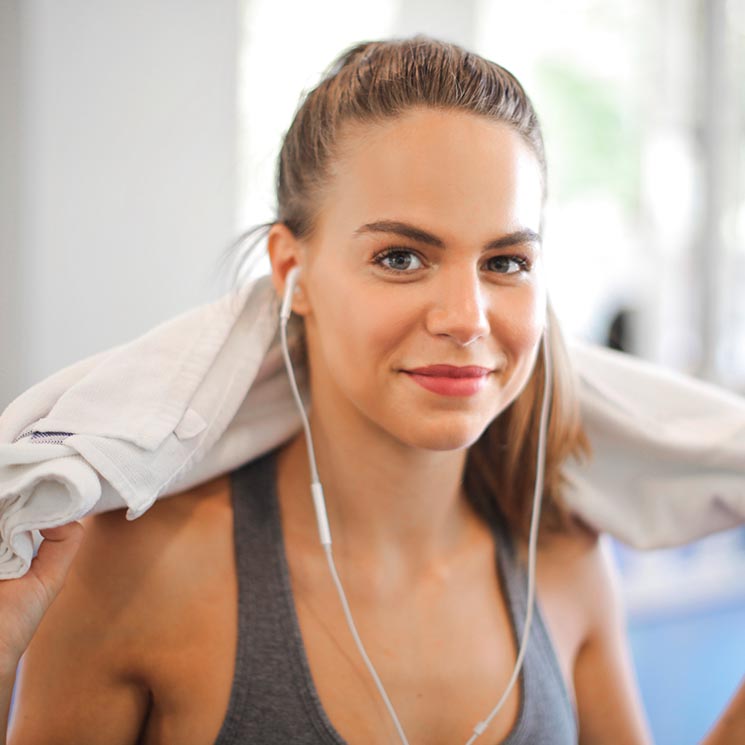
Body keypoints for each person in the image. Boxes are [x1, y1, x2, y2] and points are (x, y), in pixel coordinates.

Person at [1, 34, 744, 745]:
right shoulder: (135, 566)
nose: (465, 318)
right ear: (292, 273)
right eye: (400, 256)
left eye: (505, 261)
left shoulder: (562, 562)